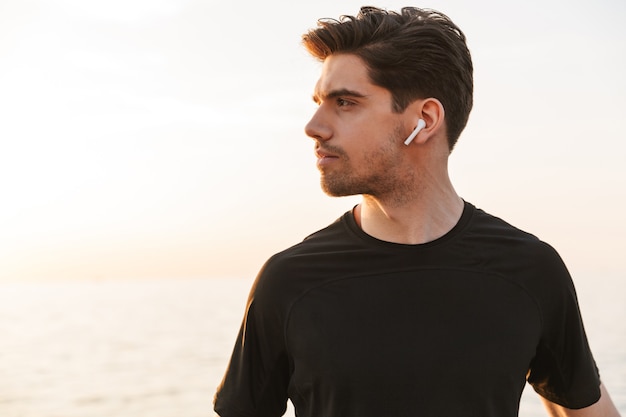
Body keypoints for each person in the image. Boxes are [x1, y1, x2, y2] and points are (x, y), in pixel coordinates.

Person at [213, 6, 620, 417]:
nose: (314, 126)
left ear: (424, 120)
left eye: (345, 102)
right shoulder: (289, 281)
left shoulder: (530, 270)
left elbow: (582, 405)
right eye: (320, 102)